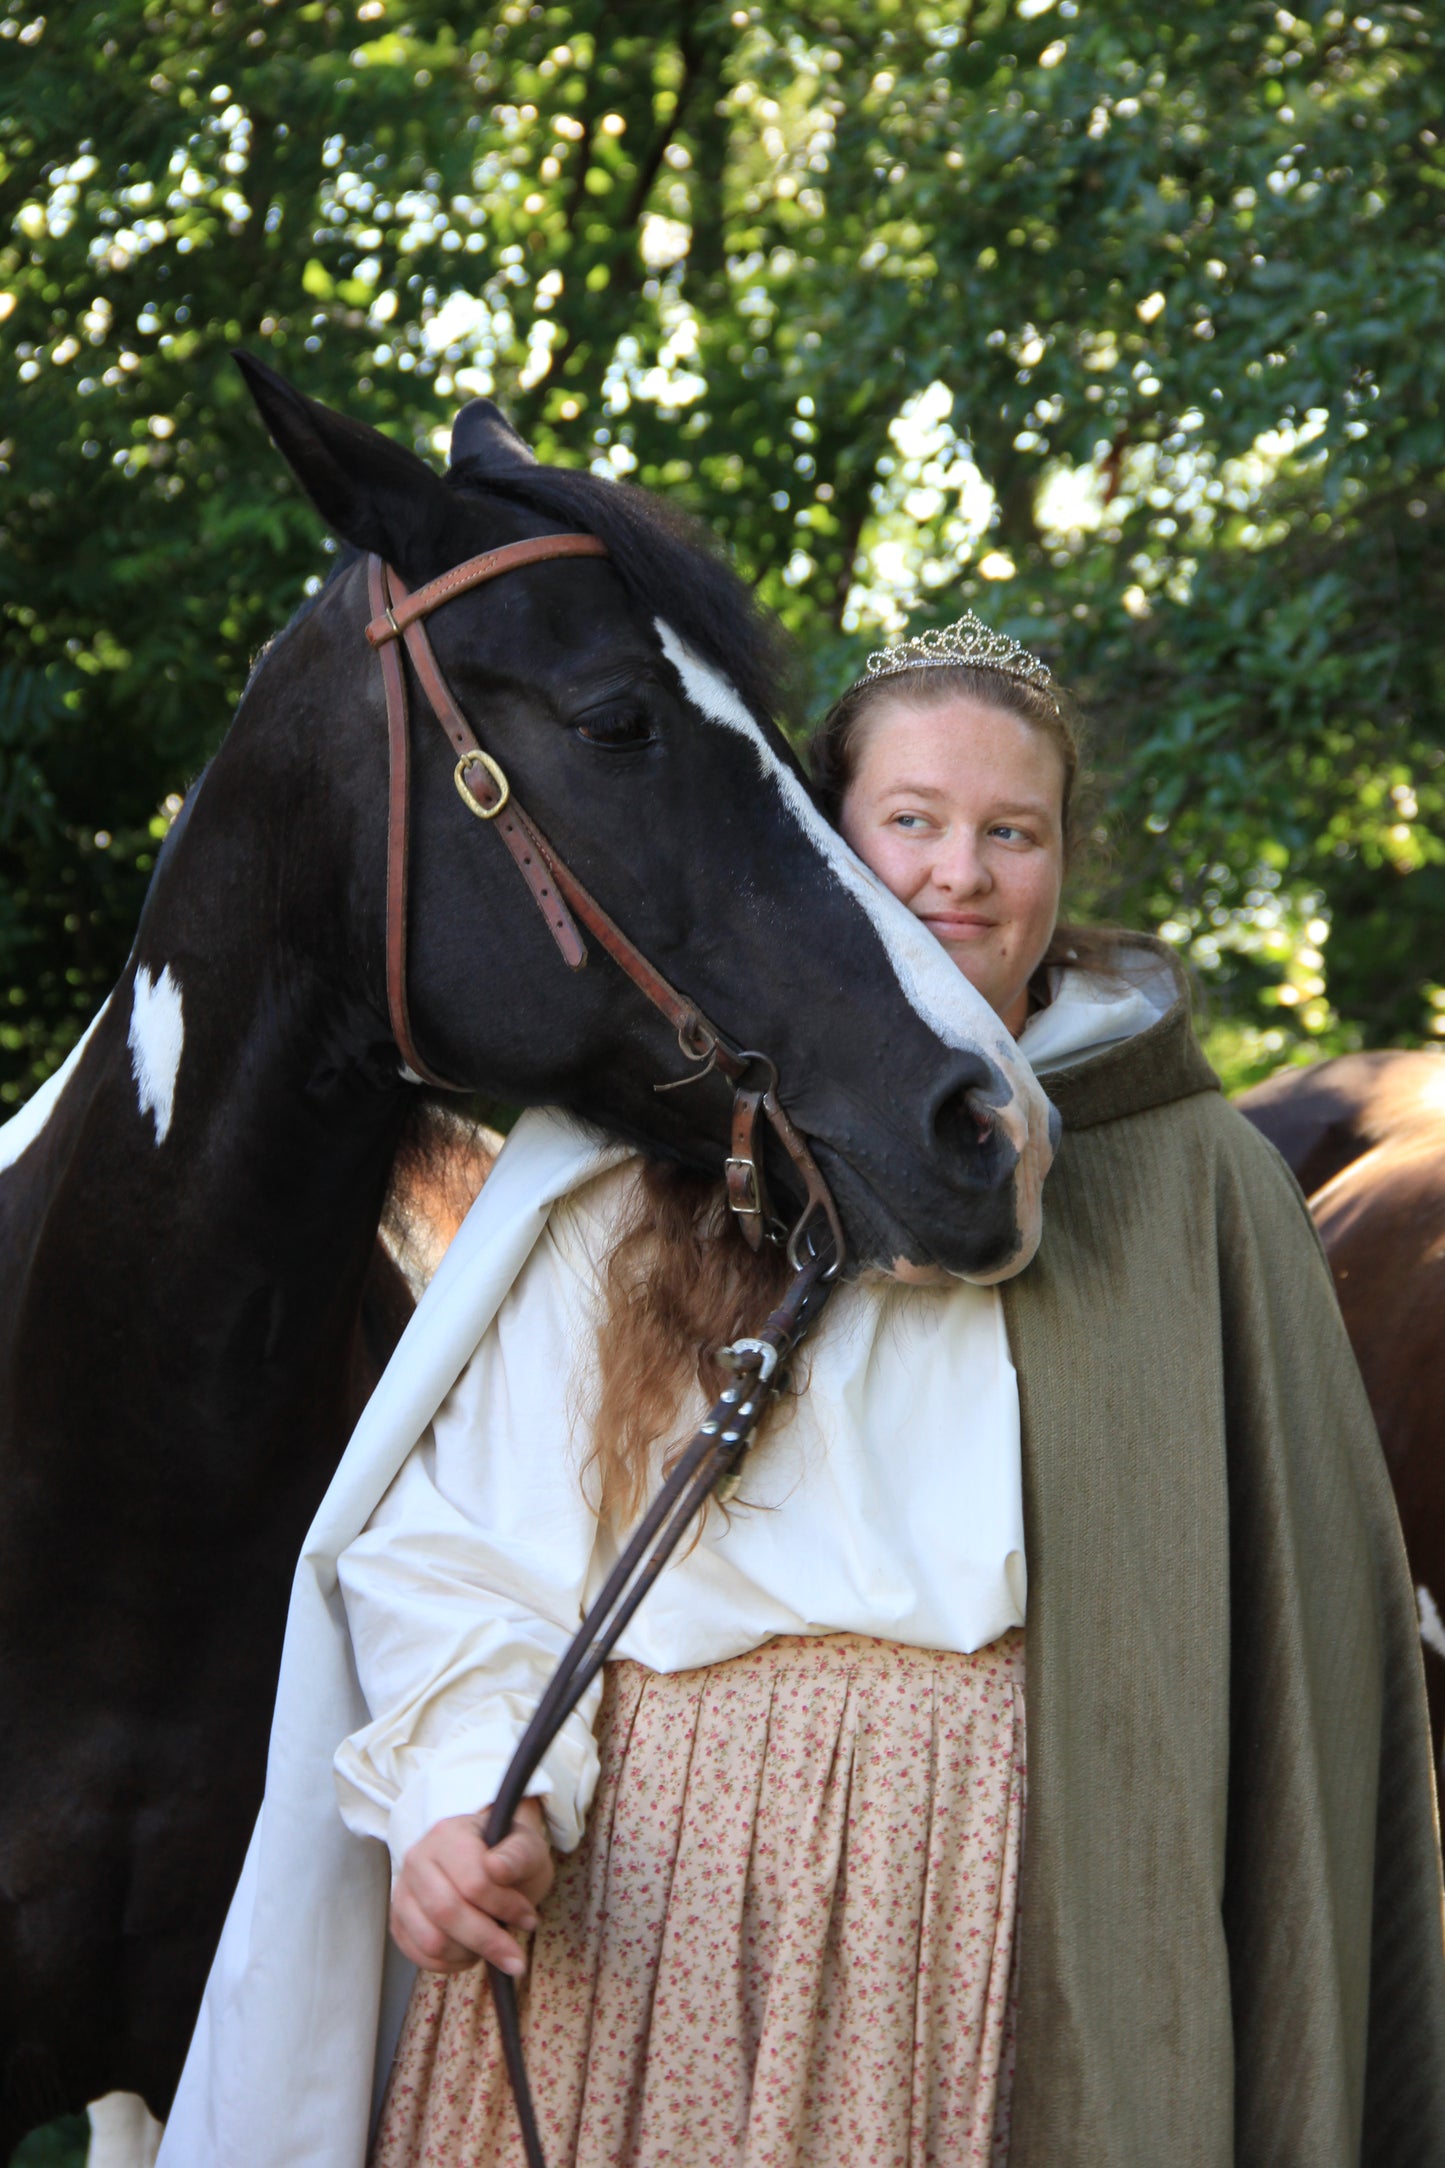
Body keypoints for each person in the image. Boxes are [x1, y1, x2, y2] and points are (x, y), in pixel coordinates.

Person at [159, 616, 1445, 2168]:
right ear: (827, 842)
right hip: (635, 1916)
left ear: (1059, 864)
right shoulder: (635, 1159)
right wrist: (457, 1800)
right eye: (908, 820)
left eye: (1007, 832)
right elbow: (461, 1545)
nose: (955, 872)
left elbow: (1287, 1656)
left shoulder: (1194, 1187)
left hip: (999, 1920)